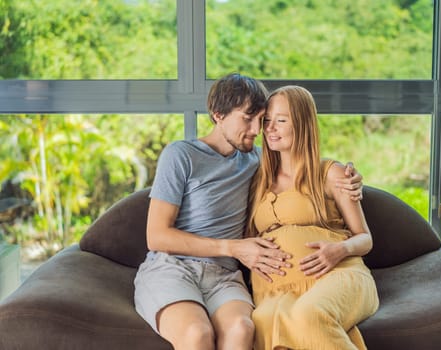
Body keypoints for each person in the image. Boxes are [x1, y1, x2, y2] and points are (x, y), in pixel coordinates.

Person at [133, 73, 364, 350]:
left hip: (223, 276)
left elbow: (303, 164)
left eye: (262, 119)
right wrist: (234, 248)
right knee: (197, 333)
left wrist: (350, 174)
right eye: (248, 118)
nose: (258, 130)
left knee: (243, 329)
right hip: (173, 268)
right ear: (218, 115)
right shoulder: (181, 155)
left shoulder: (258, 162)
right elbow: (157, 236)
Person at [247, 85, 379, 350]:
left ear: (303, 123)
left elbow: (365, 239)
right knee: (263, 321)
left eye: (281, 120)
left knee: (309, 314)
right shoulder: (257, 180)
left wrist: (339, 250)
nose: (270, 128)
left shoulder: (331, 173)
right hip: (277, 292)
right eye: (267, 121)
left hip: (337, 275)